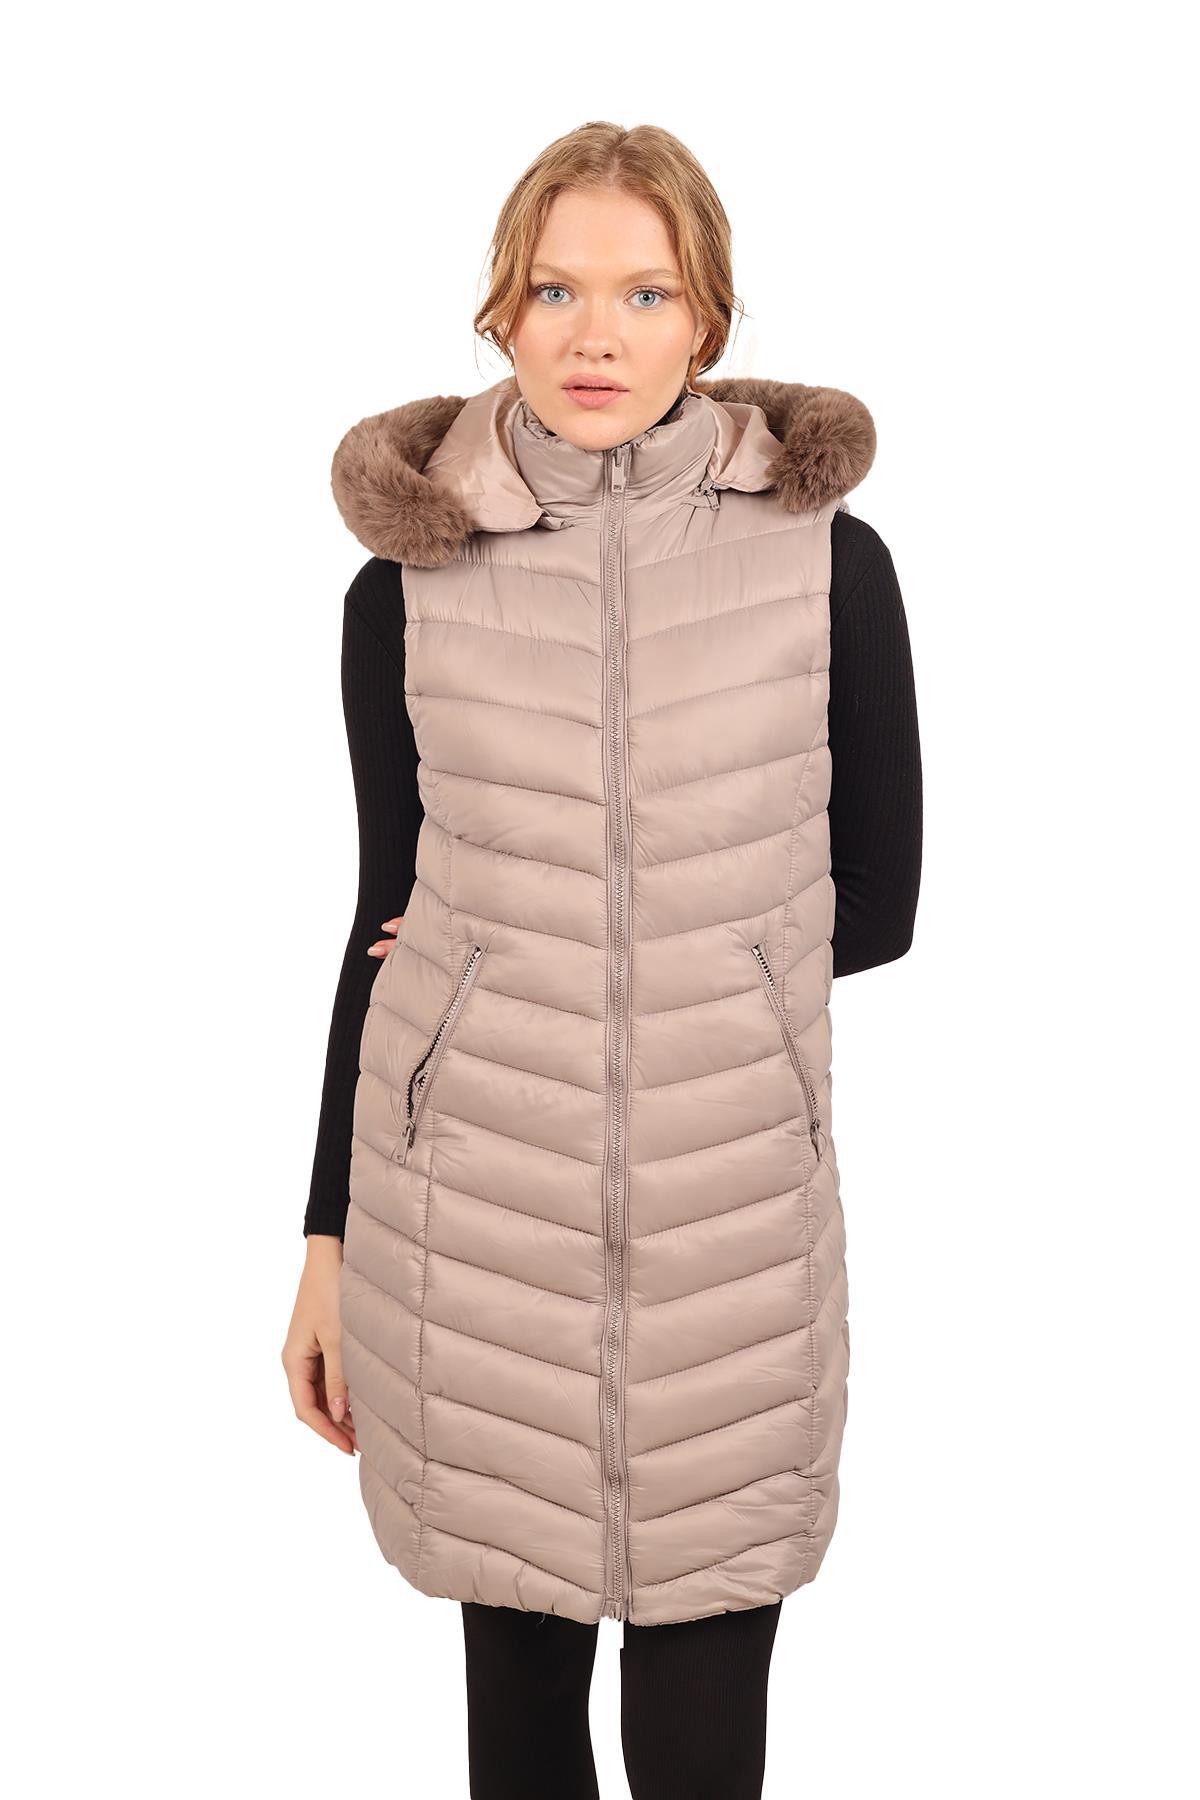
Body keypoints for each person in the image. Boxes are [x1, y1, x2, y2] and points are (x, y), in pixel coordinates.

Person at [282, 119, 922, 1800]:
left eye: (645, 292)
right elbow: (386, 922)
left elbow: (882, 899)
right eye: (556, 289)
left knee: (704, 1741)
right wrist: (327, 1239)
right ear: (501, 307)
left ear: (707, 319)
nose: (595, 335)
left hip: (733, 1234)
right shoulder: (409, 581)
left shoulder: (828, 563)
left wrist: (659, 961)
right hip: (471, 1236)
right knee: (520, 1739)